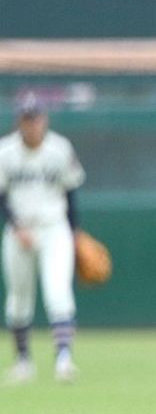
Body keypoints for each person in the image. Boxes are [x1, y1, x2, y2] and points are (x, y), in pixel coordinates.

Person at [1, 92, 86, 384]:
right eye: (26, 119)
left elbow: (71, 191)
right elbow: (1, 196)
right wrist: (15, 225)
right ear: (19, 122)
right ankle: (23, 361)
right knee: (19, 297)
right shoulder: (5, 151)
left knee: (58, 291)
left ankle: (64, 358)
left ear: (44, 120)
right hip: (19, 230)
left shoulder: (60, 149)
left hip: (53, 227)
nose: (32, 124)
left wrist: (75, 233)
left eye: (35, 118)